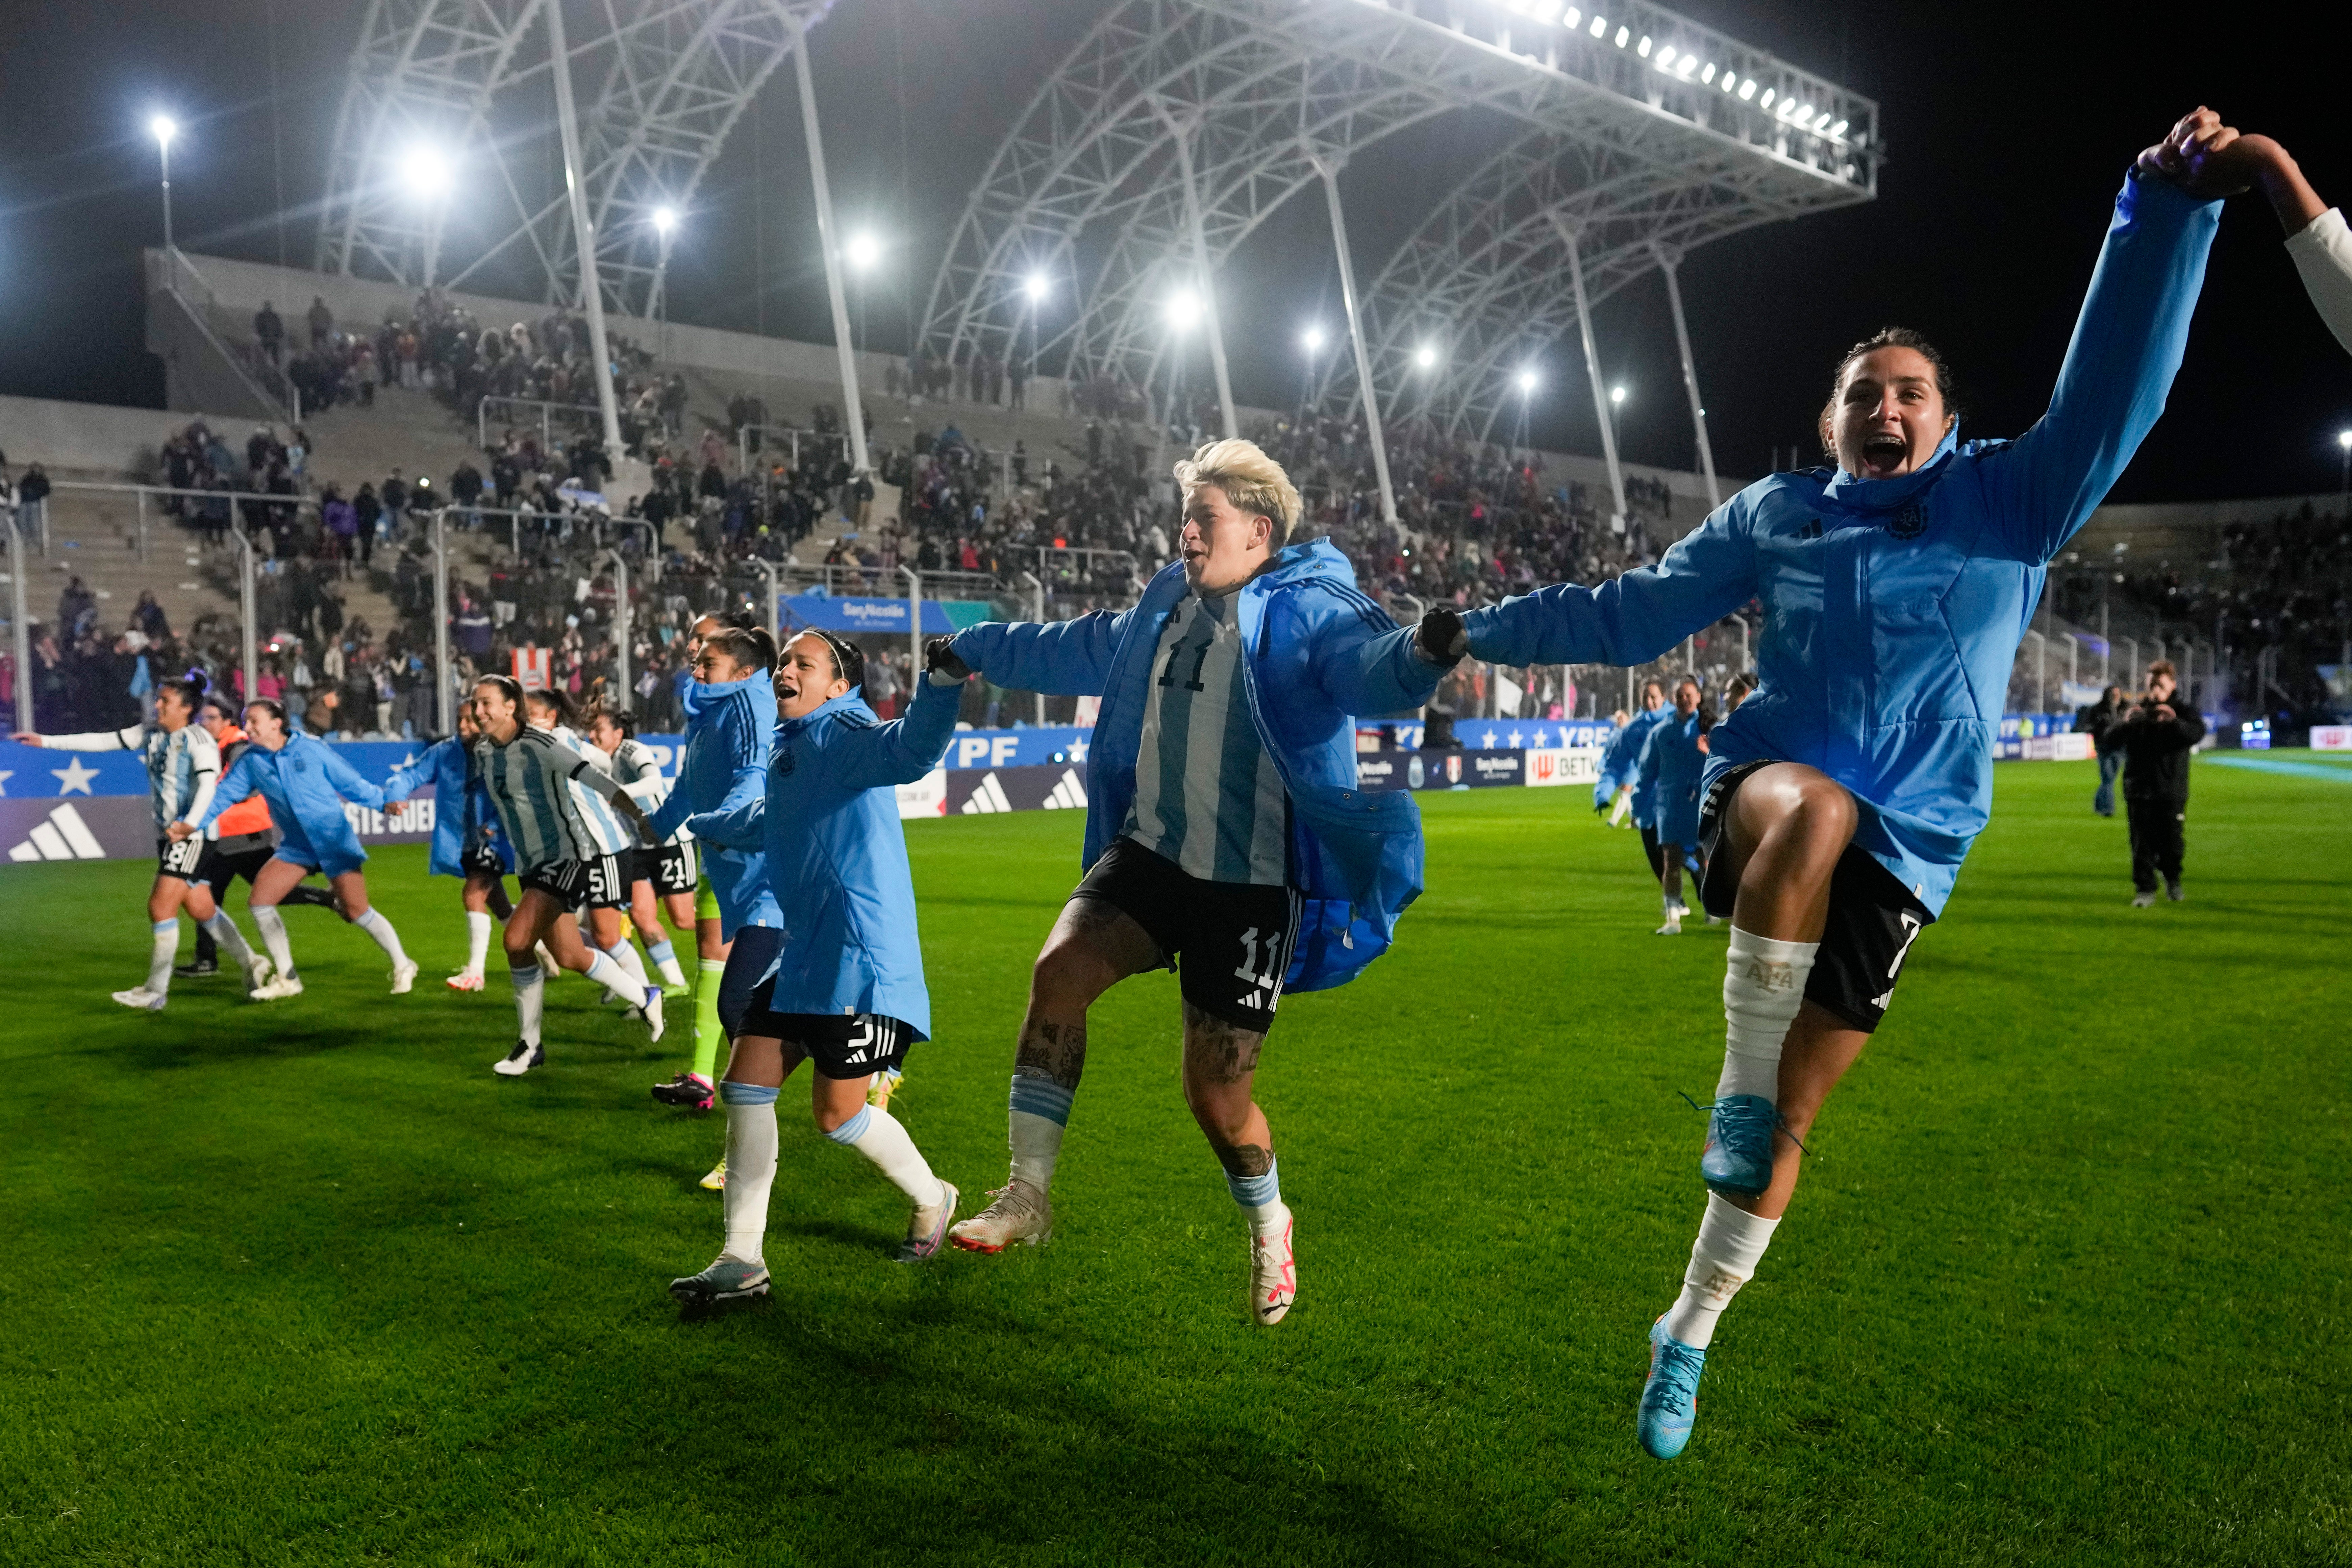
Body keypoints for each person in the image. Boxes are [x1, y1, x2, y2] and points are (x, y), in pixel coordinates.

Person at [1446, 108, 2225, 1458]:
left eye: (1909, 388)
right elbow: (1632, 614)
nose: (1885, 403)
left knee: (1788, 1130)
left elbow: (2119, 386)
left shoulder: (2013, 502)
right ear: (1828, 419)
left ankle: (1685, 1328)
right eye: (1862, 389)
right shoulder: (1776, 515)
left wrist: (2156, 215)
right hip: (1767, 794)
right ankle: (1734, 1081)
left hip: (1913, 847)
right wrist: (1482, 628)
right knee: (1810, 813)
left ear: (1946, 417)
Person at [939, 437, 1458, 1325]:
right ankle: (1027, 1193)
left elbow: (1368, 667)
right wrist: (976, 648)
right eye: (1184, 516)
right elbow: (1074, 646)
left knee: (1215, 1095)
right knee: (1057, 974)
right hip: (1151, 857)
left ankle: (1269, 1221)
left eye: (1204, 518)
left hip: (1250, 886)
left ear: (1259, 533)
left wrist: (1421, 654)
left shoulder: (1306, 614)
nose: (1185, 534)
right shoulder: (1162, 604)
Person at [668, 629, 968, 1304]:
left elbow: (913, 749)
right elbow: (771, 819)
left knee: (837, 1116)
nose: (785, 671)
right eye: (783, 662)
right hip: (807, 957)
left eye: (803, 663)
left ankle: (934, 1195)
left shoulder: (844, 731)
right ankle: (742, 1258)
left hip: (862, 963)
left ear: (839, 685)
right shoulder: (796, 749)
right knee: (746, 1084)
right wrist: (704, 824)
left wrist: (943, 684)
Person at [11, 676, 272, 1009]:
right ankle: (253, 963)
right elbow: (103, 741)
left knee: (160, 906)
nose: (158, 705)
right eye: (159, 700)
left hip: (192, 836)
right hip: (171, 836)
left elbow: (209, 787)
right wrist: (45, 742)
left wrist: (189, 824)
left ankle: (155, 991)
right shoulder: (151, 733)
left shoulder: (199, 741)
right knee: (200, 906)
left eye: (166, 701)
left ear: (187, 708)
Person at [637, 618, 785, 1175]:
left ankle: (749, 1151)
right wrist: (658, 826)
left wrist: (723, 822)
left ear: (743, 673)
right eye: (696, 660)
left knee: (739, 1006)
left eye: (707, 663)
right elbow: (688, 785)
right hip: (735, 879)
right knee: (775, 1012)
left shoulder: (749, 704)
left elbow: (752, 775)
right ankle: (868, 1068)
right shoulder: (707, 714)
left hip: (769, 881)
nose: (694, 669)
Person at [469, 676, 664, 1076]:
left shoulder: (541, 745)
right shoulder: (485, 751)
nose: (479, 712)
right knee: (570, 956)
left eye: (487, 703)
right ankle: (645, 995)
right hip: (530, 865)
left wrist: (640, 818)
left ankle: (529, 1045)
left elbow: (596, 779)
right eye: (475, 704)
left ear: (511, 706)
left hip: (566, 859)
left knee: (516, 940)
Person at [176, 699, 418, 1000]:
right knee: (261, 901)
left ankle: (403, 964)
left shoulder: (311, 749)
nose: (247, 727)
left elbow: (352, 784)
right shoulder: (251, 760)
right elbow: (223, 796)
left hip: (333, 840)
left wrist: (385, 802)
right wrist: (191, 824)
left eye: (253, 721)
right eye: (245, 721)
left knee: (356, 910)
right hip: (297, 846)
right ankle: (287, 977)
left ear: (277, 722)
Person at [177, 693, 338, 976]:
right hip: (221, 837)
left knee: (268, 893)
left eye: (211, 717)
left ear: (226, 720)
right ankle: (206, 960)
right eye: (202, 718)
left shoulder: (238, 746)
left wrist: (206, 791)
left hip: (246, 835)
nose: (205, 722)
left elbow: (247, 789)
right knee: (206, 896)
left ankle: (327, 899)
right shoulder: (211, 746)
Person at [380, 702, 517, 990]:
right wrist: (395, 793)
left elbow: (515, 794)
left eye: (470, 720)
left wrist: (496, 822)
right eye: (460, 719)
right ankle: (542, 947)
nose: (463, 726)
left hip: (495, 841)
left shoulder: (501, 752)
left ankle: (475, 973)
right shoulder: (445, 751)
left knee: (472, 895)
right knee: (501, 906)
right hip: (464, 844)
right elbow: (410, 774)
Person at [584, 706, 693, 996]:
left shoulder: (633, 750)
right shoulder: (597, 762)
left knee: (684, 920)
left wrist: (616, 793)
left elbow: (655, 782)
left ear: (618, 734)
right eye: (591, 730)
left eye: (599, 730)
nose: (592, 736)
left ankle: (753, 935)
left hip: (669, 841)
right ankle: (678, 983)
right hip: (637, 848)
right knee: (641, 915)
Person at [2105, 661, 2205, 906]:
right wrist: (2123, 723)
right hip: (2138, 789)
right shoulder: (2135, 711)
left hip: (2171, 789)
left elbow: (2196, 734)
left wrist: (2174, 722)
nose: (2155, 690)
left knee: (2173, 843)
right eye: (2151, 685)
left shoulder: (2182, 711)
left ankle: (2173, 880)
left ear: (2172, 685)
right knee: (2141, 844)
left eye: (2160, 685)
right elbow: (2108, 742)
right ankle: (2145, 890)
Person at [1635, 678, 1707, 936]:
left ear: (1698, 697)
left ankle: (1712, 907)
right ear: (1673, 699)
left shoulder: (1710, 728)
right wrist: (1638, 807)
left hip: (1703, 803)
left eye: (1689, 695)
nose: (1684, 699)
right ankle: (1673, 918)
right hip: (1670, 805)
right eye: (1680, 695)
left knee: (1705, 858)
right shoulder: (1661, 732)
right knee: (1671, 860)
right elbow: (1646, 773)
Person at [1596, 680, 1669, 829]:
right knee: (1655, 852)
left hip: (1675, 803)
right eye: (1645, 697)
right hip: (1647, 806)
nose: (1649, 702)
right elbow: (1616, 764)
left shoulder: (1676, 722)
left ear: (1664, 697)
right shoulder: (1633, 729)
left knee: (1677, 851)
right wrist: (1603, 793)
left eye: (1653, 697)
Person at [2075, 684, 2126, 817]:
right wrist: (2097, 726)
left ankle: (2098, 804)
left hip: (2119, 748)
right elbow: (2088, 725)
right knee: (2108, 778)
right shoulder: (2098, 710)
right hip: (2104, 747)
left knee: (2108, 779)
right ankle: (2108, 809)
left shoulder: (2125, 709)